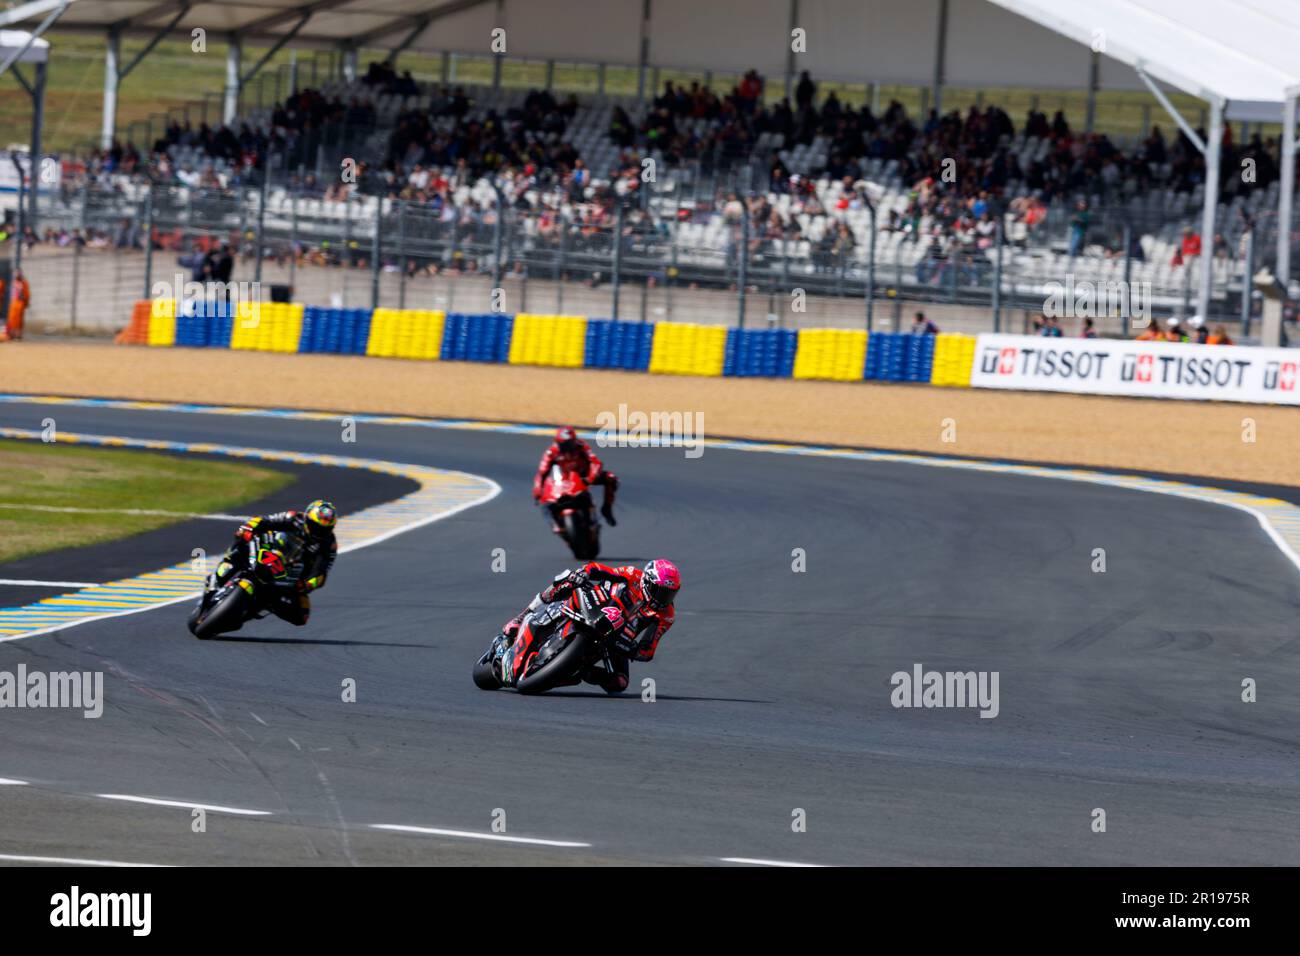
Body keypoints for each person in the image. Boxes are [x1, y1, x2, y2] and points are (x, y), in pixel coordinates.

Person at [497, 559, 681, 694]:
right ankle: (522, 616)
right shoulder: (633, 574)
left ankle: (577, 670)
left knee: (619, 684)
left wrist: (633, 649)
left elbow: (648, 650)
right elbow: (598, 568)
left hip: (617, 638)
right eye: (661, 592)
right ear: (647, 582)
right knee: (567, 579)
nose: (664, 598)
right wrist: (584, 573)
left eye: (670, 594)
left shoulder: (666, 615)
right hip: (596, 602)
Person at [213, 499, 338, 626]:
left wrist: (306, 585)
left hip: (291, 577)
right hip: (268, 550)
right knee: (242, 539)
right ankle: (227, 564)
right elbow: (264, 520)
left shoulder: (328, 545)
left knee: (302, 616)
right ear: (307, 518)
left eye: (324, 529)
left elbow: (321, 573)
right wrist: (248, 528)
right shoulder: (293, 518)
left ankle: (264, 605)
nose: (318, 531)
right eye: (315, 526)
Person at [533, 426, 619, 527]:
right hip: (566, 480)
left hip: (585, 476)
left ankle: (606, 509)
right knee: (547, 502)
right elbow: (542, 472)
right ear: (557, 442)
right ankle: (555, 524)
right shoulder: (551, 452)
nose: (567, 448)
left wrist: (590, 478)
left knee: (611, 478)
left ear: (574, 441)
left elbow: (596, 462)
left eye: (570, 444)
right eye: (563, 445)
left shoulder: (581, 446)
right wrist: (537, 492)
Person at [2, 269, 30, 341]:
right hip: (13, 303)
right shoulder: (14, 282)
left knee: (18, 322)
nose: (16, 275)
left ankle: (18, 335)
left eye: (18, 274)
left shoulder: (24, 283)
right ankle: (11, 335)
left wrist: (25, 301)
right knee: (11, 320)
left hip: (20, 304)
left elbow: (26, 294)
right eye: (15, 274)